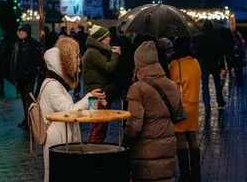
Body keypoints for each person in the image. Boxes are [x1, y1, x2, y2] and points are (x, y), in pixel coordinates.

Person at [39, 37, 105, 182]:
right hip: (59, 140)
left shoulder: (56, 84)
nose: (79, 70)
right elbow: (70, 110)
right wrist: (89, 98)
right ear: (64, 66)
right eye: (76, 66)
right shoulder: (53, 86)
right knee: (57, 174)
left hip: (62, 138)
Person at [123, 41, 182, 182]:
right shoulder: (172, 85)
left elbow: (134, 126)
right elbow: (178, 115)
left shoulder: (138, 88)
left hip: (145, 152)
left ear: (139, 62)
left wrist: (125, 143)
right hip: (167, 148)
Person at [169, 37, 202, 182]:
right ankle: (196, 171)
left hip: (181, 106)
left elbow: (172, 85)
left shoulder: (175, 64)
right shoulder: (196, 62)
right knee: (193, 139)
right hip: (194, 106)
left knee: (181, 139)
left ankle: (185, 172)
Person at [82, 23, 121, 143]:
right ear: (99, 39)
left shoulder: (96, 51)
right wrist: (116, 54)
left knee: (98, 126)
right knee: (99, 127)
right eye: (106, 37)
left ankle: (93, 149)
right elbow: (108, 67)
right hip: (98, 95)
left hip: (99, 93)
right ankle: (94, 153)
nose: (109, 38)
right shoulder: (93, 52)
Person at [11, 23, 41, 128]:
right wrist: (13, 72)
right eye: (19, 31)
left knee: (29, 99)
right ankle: (26, 118)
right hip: (19, 77)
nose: (21, 33)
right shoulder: (17, 44)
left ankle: (31, 120)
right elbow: (14, 58)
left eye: (23, 31)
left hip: (29, 77)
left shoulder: (34, 44)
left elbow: (37, 60)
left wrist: (31, 71)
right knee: (24, 99)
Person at [194, 20, 226, 109]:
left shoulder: (199, 37)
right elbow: (220, 54)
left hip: (203, 65)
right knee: (217, 84)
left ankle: (206, 104)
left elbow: (197, 52)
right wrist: (222, 66)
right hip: (214, 64)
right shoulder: (217, 37)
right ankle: (220, 101)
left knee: (205, 85)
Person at [0, 31, 14, 99]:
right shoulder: (8, 43)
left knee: (5, 76)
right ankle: (2, 90)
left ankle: (17, 86)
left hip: (4, 63)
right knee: (4, 76)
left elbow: (2, 53)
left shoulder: (4, 43)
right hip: (6, 62)